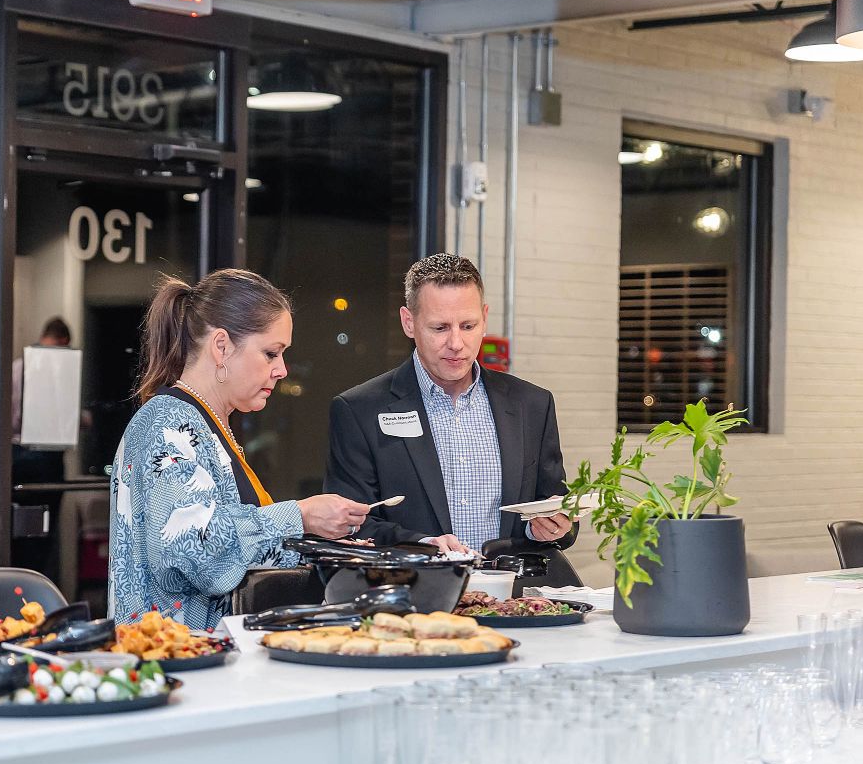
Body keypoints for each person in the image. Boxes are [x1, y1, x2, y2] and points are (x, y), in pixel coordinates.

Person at [108, 270, 370, 629]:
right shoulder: (168, 422)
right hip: (173, 652)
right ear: (221, 347)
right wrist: (300, 516)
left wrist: (323, 546)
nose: (282, 370)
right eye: (271, 353)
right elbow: (192, 551)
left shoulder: (205, 423)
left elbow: (239, 550)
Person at [324, 254, 578, 563]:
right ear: (408, 322)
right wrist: (424, 545)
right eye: (440, 327)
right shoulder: (359, 411)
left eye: (468, 325)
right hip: (416, 587)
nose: (456, 343)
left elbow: (556, 506)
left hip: (509, 589)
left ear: (485, 318)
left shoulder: (532, 405)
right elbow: (348, 526)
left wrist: (550, 528)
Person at [11, 316, 71, 484]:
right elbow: (63, 415)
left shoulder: (16, 367)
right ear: (64, 342)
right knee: (48, 498)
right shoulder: (58, 375)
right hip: (47, 454)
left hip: (15, 450)